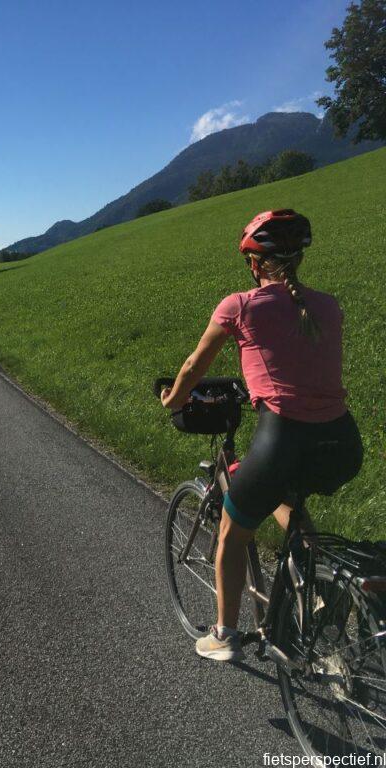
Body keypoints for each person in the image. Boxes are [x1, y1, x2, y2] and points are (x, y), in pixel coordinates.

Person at [160, 209, 363, 661]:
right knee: (282, 495)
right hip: (343, 445)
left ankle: (225, 635)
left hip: (282, 440)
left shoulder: (240, 306)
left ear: (254, 264)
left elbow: (195, 366)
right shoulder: (328, 306)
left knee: (233, 529)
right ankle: (318, 585)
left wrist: (173, 400)